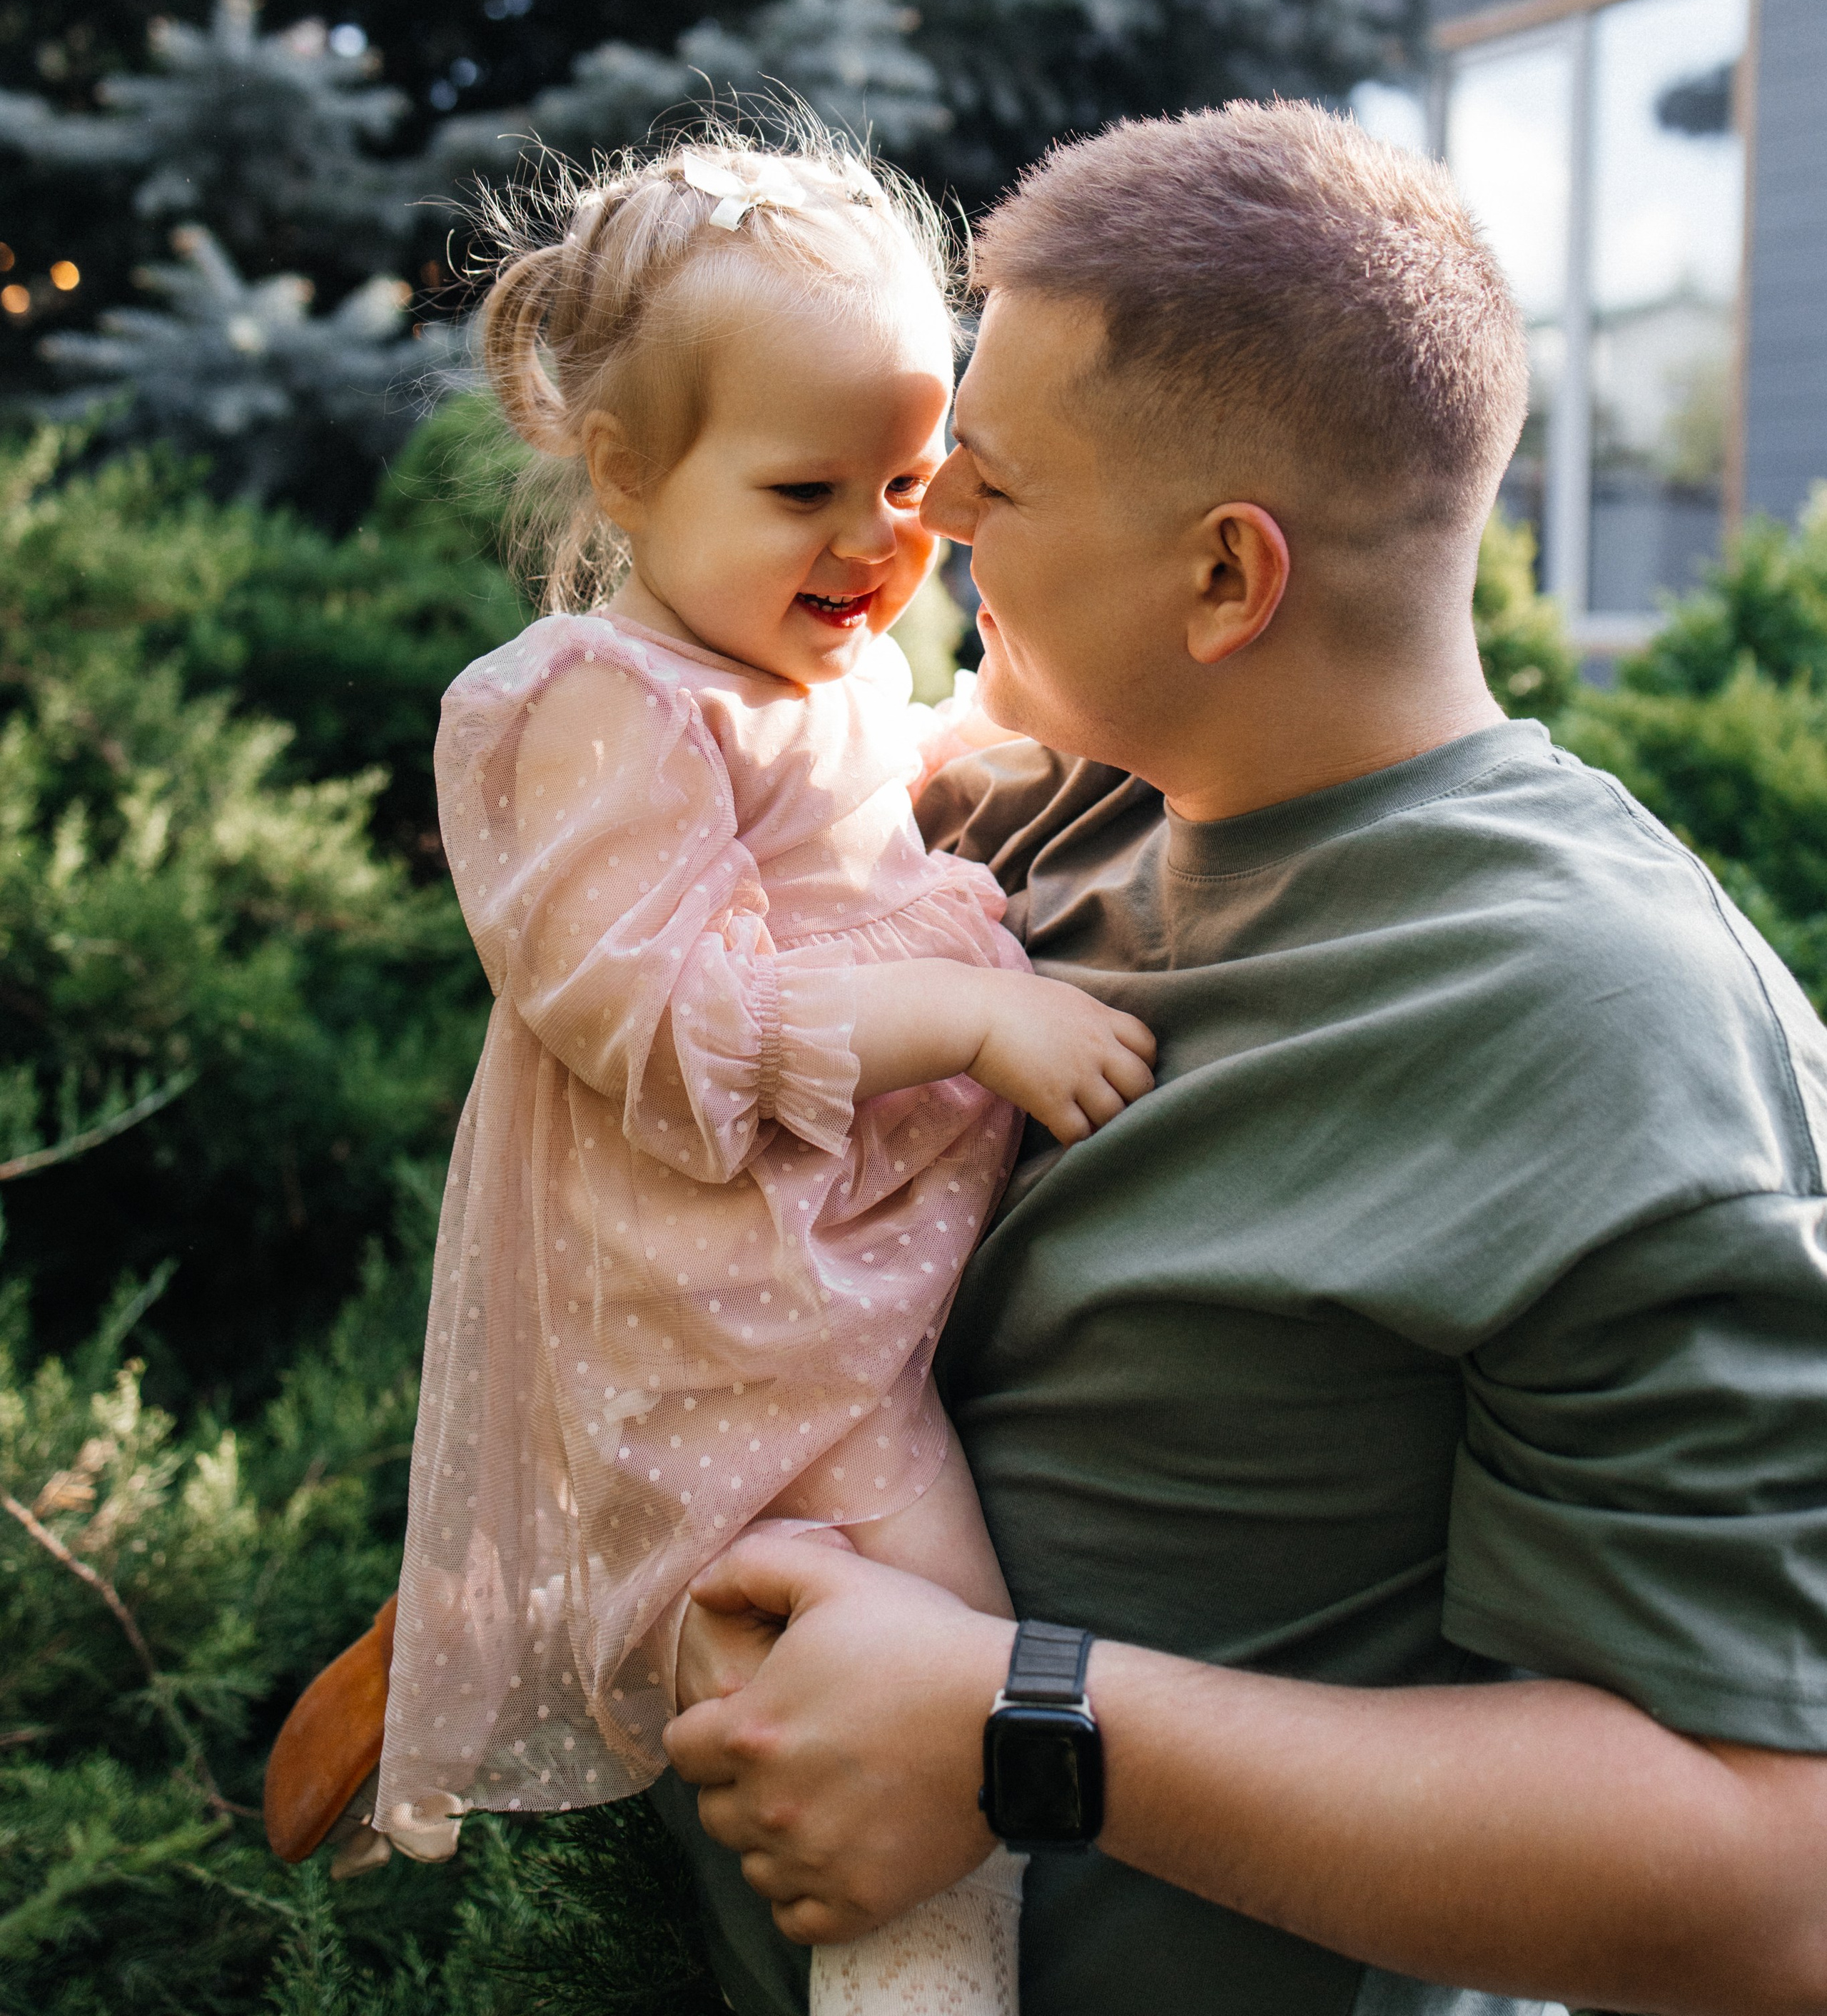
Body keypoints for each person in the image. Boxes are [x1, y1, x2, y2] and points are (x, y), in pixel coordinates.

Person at [659, 100, 1827, 2016]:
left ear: (1227, 579)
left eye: (996, 481)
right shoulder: (1051, 818)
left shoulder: (1614, 1032)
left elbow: (1777, 1880)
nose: (929, 513)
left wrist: (1024, 1733)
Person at [359, 131, 1155, 2015]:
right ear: (626, 473)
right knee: (919, 1672)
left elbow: (885, 824)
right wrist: (969, 1019)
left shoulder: (817, 677)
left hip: (830, 1282)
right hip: (730, 1324)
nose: (881, 540)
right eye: (810, 486)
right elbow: (668, 1013)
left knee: (916, 1666)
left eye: (907, 478)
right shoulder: (592, 708)